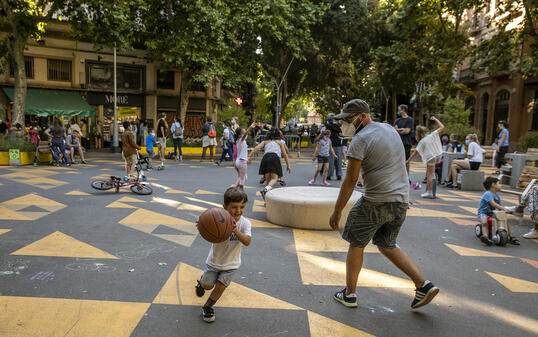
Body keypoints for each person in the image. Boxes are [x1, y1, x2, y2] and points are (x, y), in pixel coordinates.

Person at [329, 98, 439, 310]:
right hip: (400, 200)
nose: (346, 124)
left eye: (349, 119)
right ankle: (423, 285)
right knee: (386, 244)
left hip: (375, 201)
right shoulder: (389, 129)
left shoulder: (360, 139)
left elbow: (350, 180)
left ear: (363, 116)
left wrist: (337, 211)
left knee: (356, 242)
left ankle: (349, 294)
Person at [195, 187, 252, 323]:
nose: (238, 210)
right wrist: (203, 225)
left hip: (232, 264)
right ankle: (202, 283)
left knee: (220, 288)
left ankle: (208, 307)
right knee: (209, 286)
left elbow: (247, 241)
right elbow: (206, 226)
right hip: (214, 262)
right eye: (234, 207)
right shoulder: (217, 218)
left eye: (242, 207)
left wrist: (236, 231)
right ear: (225, 207)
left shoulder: (245, 223)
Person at [248, 128, 291, 200]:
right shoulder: (279, 142)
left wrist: (249, 156)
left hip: (265, 158)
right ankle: (265, 191)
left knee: (267, 181)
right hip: (274, 158)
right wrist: (288, 165)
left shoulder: (265, 141)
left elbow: (256, 148)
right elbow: (285, 154)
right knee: (274, 178)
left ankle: (266, 200)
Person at [406, 116, 444, 198]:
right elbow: (442, 127)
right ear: (426, 131)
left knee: (429, 174)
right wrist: (436, 119)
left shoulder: (422, 141)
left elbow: (415, 152)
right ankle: (432, 190)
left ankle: (429, 192)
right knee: (432, 173)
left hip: (431, 157)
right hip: (438, 155)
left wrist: (408, 161)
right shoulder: (433, 134)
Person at [478, 177, 520, 245]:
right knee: (484, 223)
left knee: (504, 220)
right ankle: (485, 236)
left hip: (493, 213)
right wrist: (503, 209)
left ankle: (511, 236)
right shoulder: (488, 193)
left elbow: (500, 207)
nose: (501, 185)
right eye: (499, 183)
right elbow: (493, 204)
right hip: (483, 213)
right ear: (493, 185)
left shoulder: (497, 196)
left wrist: (509, 211)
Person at [233, 123, 256, 189]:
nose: (245, 133)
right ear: (240, 135)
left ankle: (235, 190)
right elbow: (246, 134)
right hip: (241, 161)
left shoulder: (238, 141)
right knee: (242, 180)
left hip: (239, 160)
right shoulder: (240, 140)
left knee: (242, 177)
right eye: (243, 132)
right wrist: (250, 127)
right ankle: (237, 191)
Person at [393, 104, 414, 176]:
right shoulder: (397, 120)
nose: (398, 111)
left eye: (399, 109)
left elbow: (407, 131)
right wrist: (401, 129)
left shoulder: (410, 120)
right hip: (398, 143)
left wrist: (399, 130)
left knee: (406, 161)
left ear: (403, 110)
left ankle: (407, 177)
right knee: (397, 161)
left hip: (406, 143)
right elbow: (395, 130)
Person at [323, 113, 344, 180]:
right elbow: (341, 134)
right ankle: (339, 174)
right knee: (339, 160)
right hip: (338, 145)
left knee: (331, 160)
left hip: (330, 145)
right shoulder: (337, 126)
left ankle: (329, 175)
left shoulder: (327, 126)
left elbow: (323, 133)